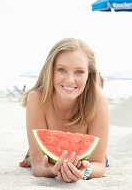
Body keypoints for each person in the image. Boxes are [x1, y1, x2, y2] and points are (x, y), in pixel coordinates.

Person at [19, 38, 109, 183]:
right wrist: (51, 170)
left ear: (89, 74)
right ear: (51, 70)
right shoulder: (36, 98)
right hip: (44, 160)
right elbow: (37, 164)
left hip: (86, 160)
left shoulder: (98, 100)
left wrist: (85, 171)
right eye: (61, 69)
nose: (70, 80)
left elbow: (98, 163)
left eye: (79, 72)